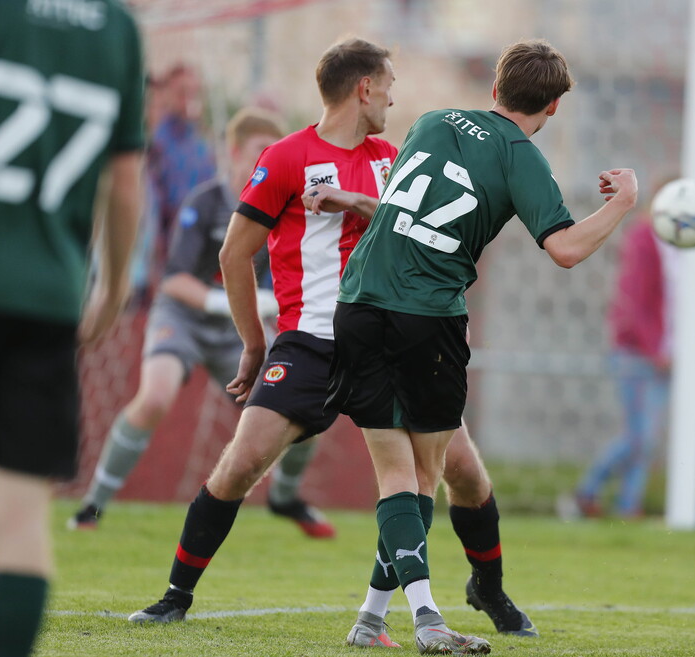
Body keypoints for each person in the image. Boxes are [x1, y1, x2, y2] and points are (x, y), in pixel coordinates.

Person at [128, 39, 537, 646]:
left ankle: (490, 589)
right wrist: (251, 343)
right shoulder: (287, 157)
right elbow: (233, 254)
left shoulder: (393, 158)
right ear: (363, 88)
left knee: (465, 475)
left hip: (387, 335)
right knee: (241, 462)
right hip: (311, 342)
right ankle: (174, 596)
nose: (395, 96)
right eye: (389, 83)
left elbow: (415, 229)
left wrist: (359, 205)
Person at [328, 38, 638, 654]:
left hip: (359, 300)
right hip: (427, 316)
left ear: (495, 90)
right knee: (419, 476)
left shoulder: (432, 120)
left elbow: (401, 201)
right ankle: (426, 622)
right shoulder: (523, 157)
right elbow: (568, 248)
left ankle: (371, 618)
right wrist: (625, 202)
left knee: (402, 472)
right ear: (551, 108)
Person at [67, 106, 335, 538]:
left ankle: (285, 497)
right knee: (155, 397)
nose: (268, 158)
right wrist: (233, 300)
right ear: (233, 151)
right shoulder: (205, 201)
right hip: (184, 319)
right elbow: (174, 282)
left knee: (304, 407)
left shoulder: (285, 210)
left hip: (236, 329)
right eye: (259, 150)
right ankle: (91, 507)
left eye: (274, 151)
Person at [0, 2, 145, 655]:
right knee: (20, 521)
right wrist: (110, 290)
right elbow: (125, 180)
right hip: (49, 300)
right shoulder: (117, 29)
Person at [571, 200, 677, 519]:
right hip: (638, 353)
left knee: (647, 438)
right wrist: (653, 348)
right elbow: (633, 300)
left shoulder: (678, 245)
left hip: (664, 354)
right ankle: (587, 492)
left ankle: (629, 506)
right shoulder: (643, 238)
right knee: (639, 437)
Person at [148, 63, 216, 252]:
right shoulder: (157, 142)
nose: (188, 99)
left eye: (194, 92)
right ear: (167, 93)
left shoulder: (203, 145)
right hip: (165, 246)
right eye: (181, 92)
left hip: (198, 242)